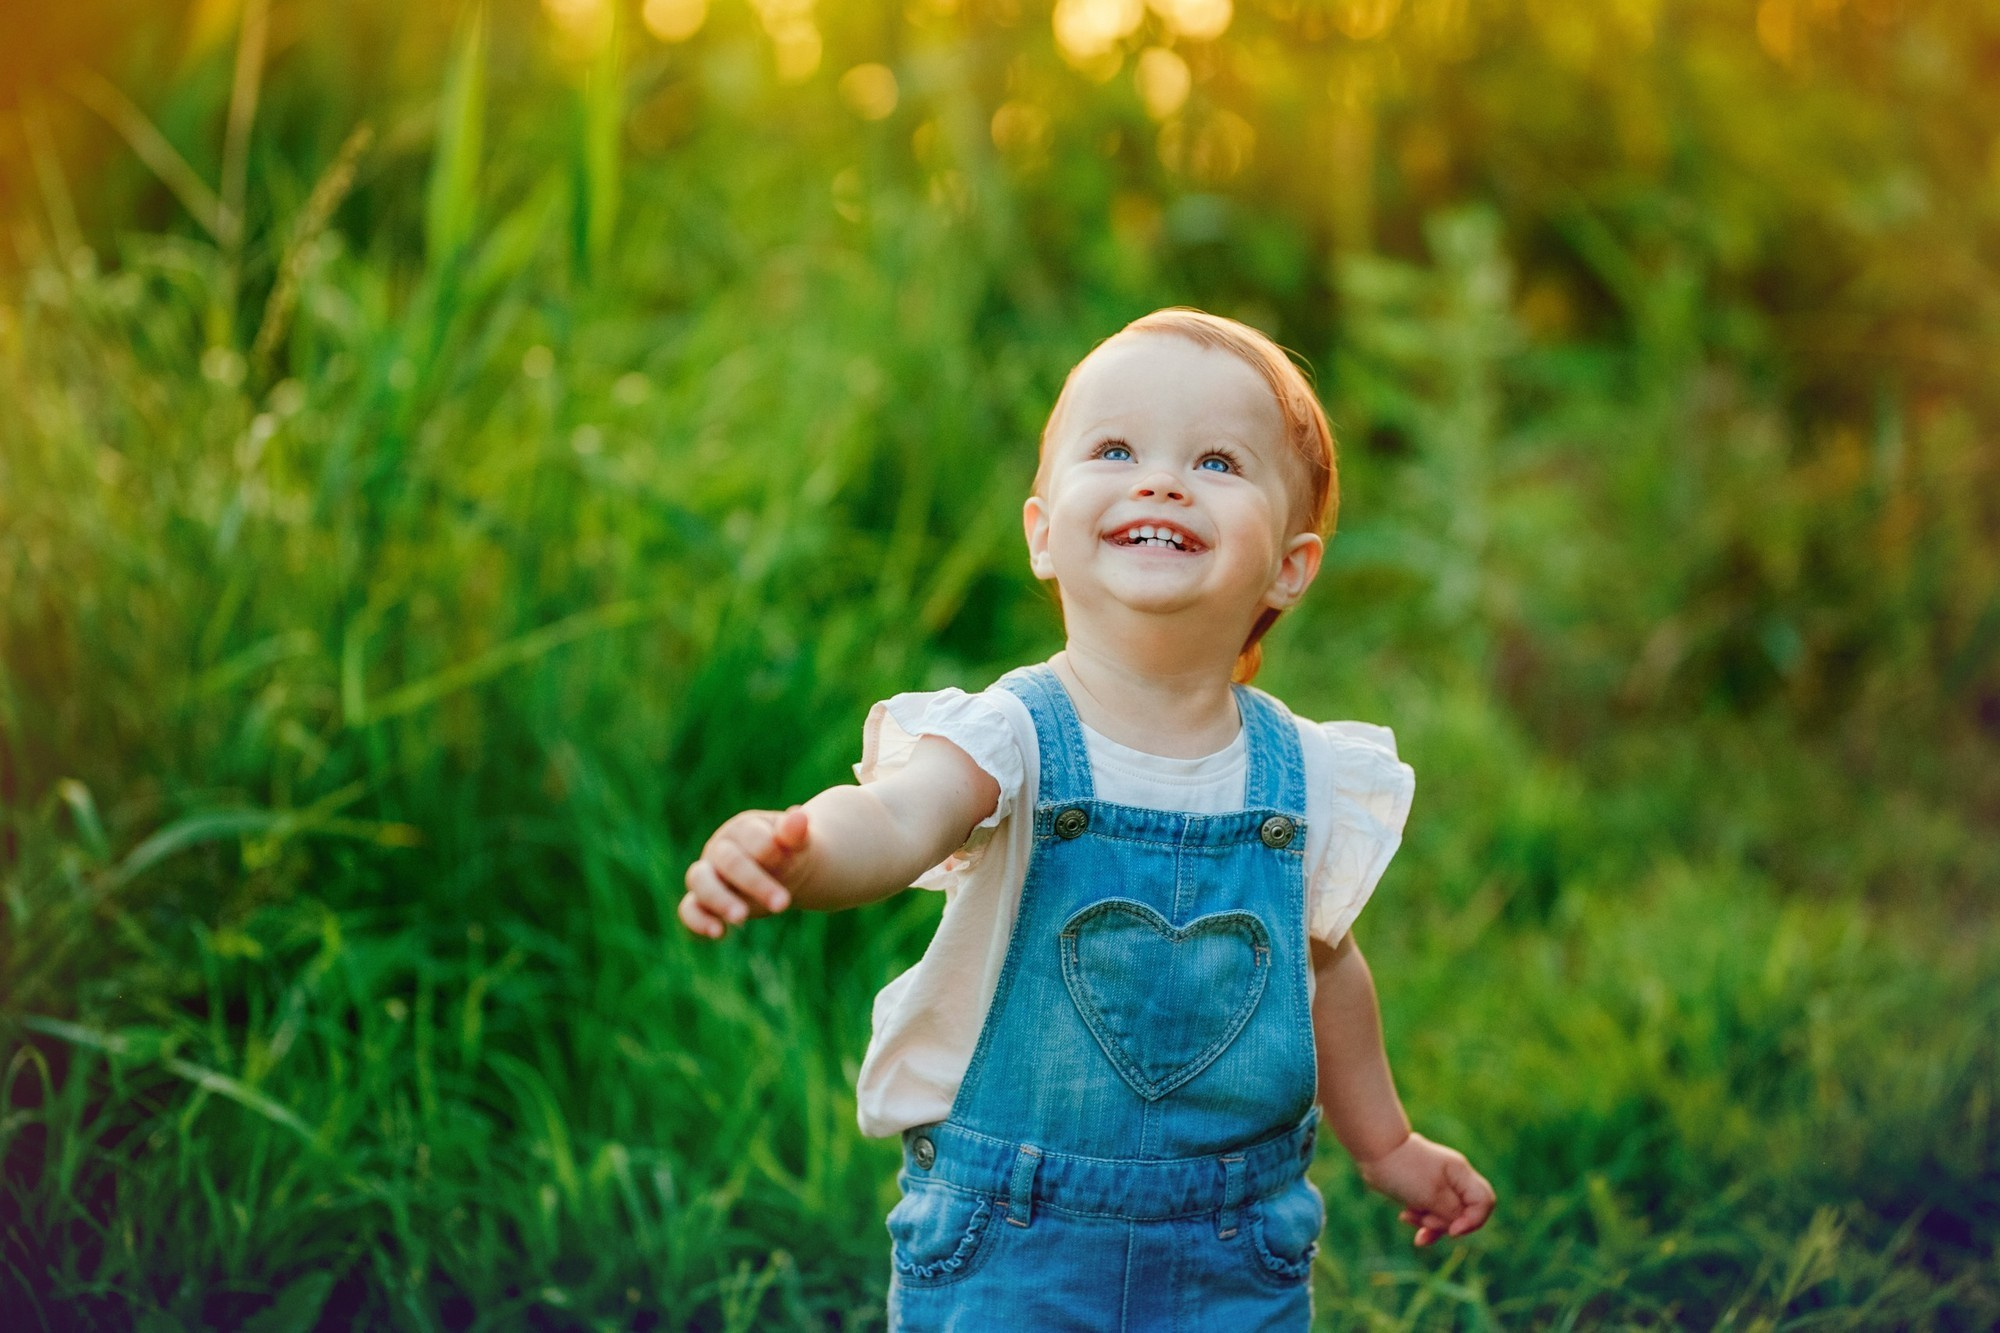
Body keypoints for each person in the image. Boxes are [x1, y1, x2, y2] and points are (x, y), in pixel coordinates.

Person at [680, 308, 1496, 1328]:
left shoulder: (1304, 774)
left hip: (1233, 1252)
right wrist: (797, 851)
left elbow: (1324, 963)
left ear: (1289, 565)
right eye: (1114, 449)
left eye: (1216, 460)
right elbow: (895, 820)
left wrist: (1384, 1143)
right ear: (1041, 533)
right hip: (1009, 1247)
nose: (1160, 480)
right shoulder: (1011, 734)